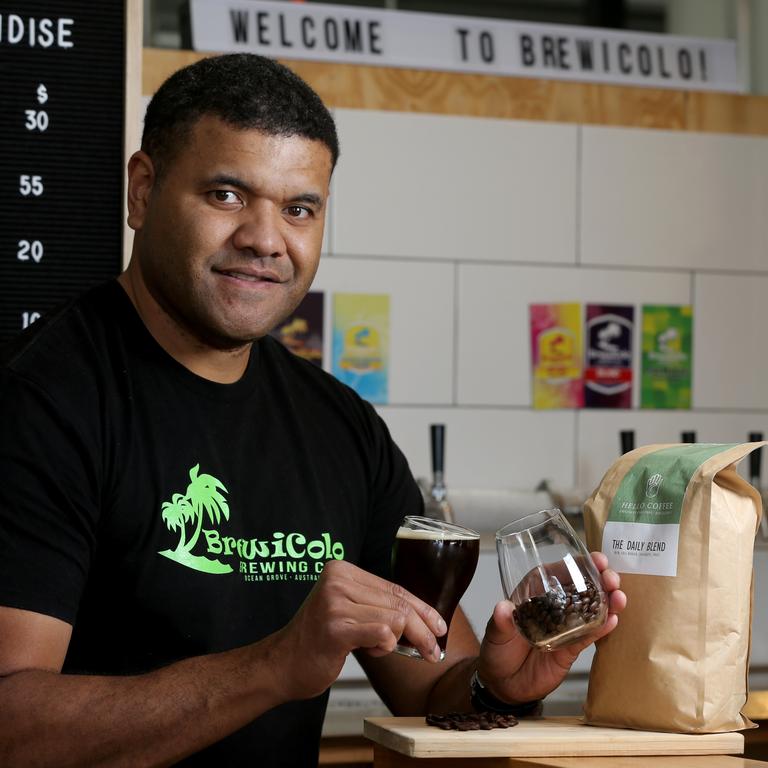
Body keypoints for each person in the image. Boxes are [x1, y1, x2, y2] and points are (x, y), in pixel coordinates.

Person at [0, 54, 625, 766]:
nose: (267, 239)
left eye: (299, 209)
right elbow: (10, 724)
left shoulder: (340, 427)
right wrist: (274, 666)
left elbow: (430, 682)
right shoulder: (39, 404)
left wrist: (496, 687)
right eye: (228, 195)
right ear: (143, 191)